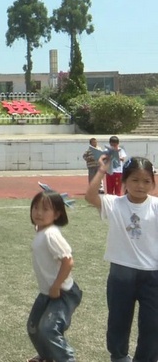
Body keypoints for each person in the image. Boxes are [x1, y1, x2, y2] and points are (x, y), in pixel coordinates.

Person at [85, 155, 158, 362]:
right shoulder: (114, 204)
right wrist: (101, 171)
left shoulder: (156, 206)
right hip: (121, 273)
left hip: (153, 275)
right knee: (118, 321)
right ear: (124, 181)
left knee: (153, 324)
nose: (140, 186)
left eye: (146, 181)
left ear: (153, 183)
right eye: (134, 180)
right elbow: (90, 197)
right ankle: (119, 357)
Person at [26, 191, 82, 362]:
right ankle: (47, 356)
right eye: (35, 208)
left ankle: (66, 359)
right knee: (34, 327)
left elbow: (68, 261)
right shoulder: (42, 231)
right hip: (47, 292)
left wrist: (57, 286)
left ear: (57, 214)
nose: (38, 213)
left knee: (48, 329)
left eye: (45, 209)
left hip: (63, 293)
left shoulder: (51, 234)